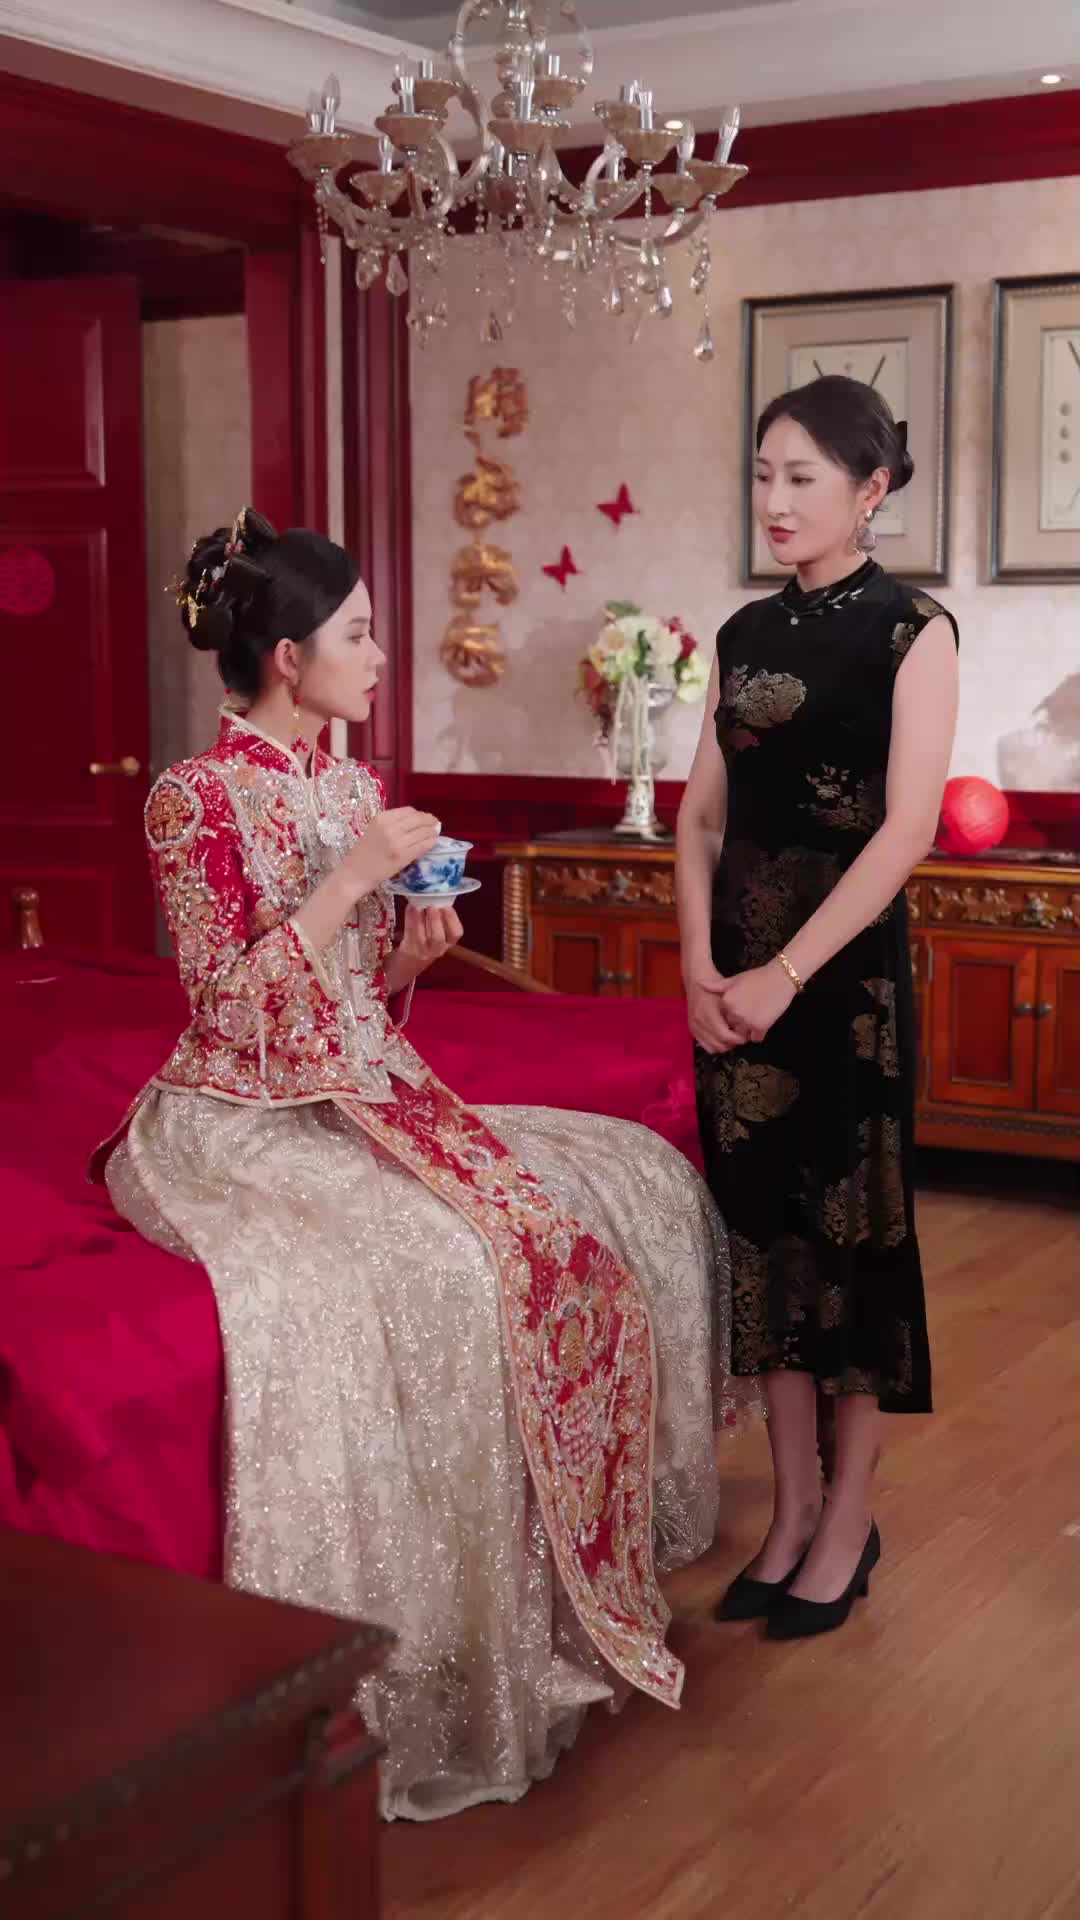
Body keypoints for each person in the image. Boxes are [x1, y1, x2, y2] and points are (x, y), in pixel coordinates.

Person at [94, 509, 734, 1821]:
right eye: (363, 634)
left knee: (620, 1181)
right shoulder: (191, 797)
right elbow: (229, 1009)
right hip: (243, 1114)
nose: (381, 657)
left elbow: (349, 1000)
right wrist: (347, 887)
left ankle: (562, 1579)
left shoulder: (348, 788)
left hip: (363, 1084)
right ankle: (429, 1656)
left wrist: (408, 956)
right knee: (445, 1260)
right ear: (289, 657)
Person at [676, 376, 959, 1640]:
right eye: (763, 476)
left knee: (848, 1249)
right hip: (732, 989)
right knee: (763, 1245)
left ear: (872, 488)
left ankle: (850, 1515)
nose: (776, 501)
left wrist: (782, 974)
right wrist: (699, 970)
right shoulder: (742, 634)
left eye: (802, 477)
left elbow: (907, 831)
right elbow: (699, 817)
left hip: (840, 990)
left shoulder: (914, 632)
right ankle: (789, 1512)